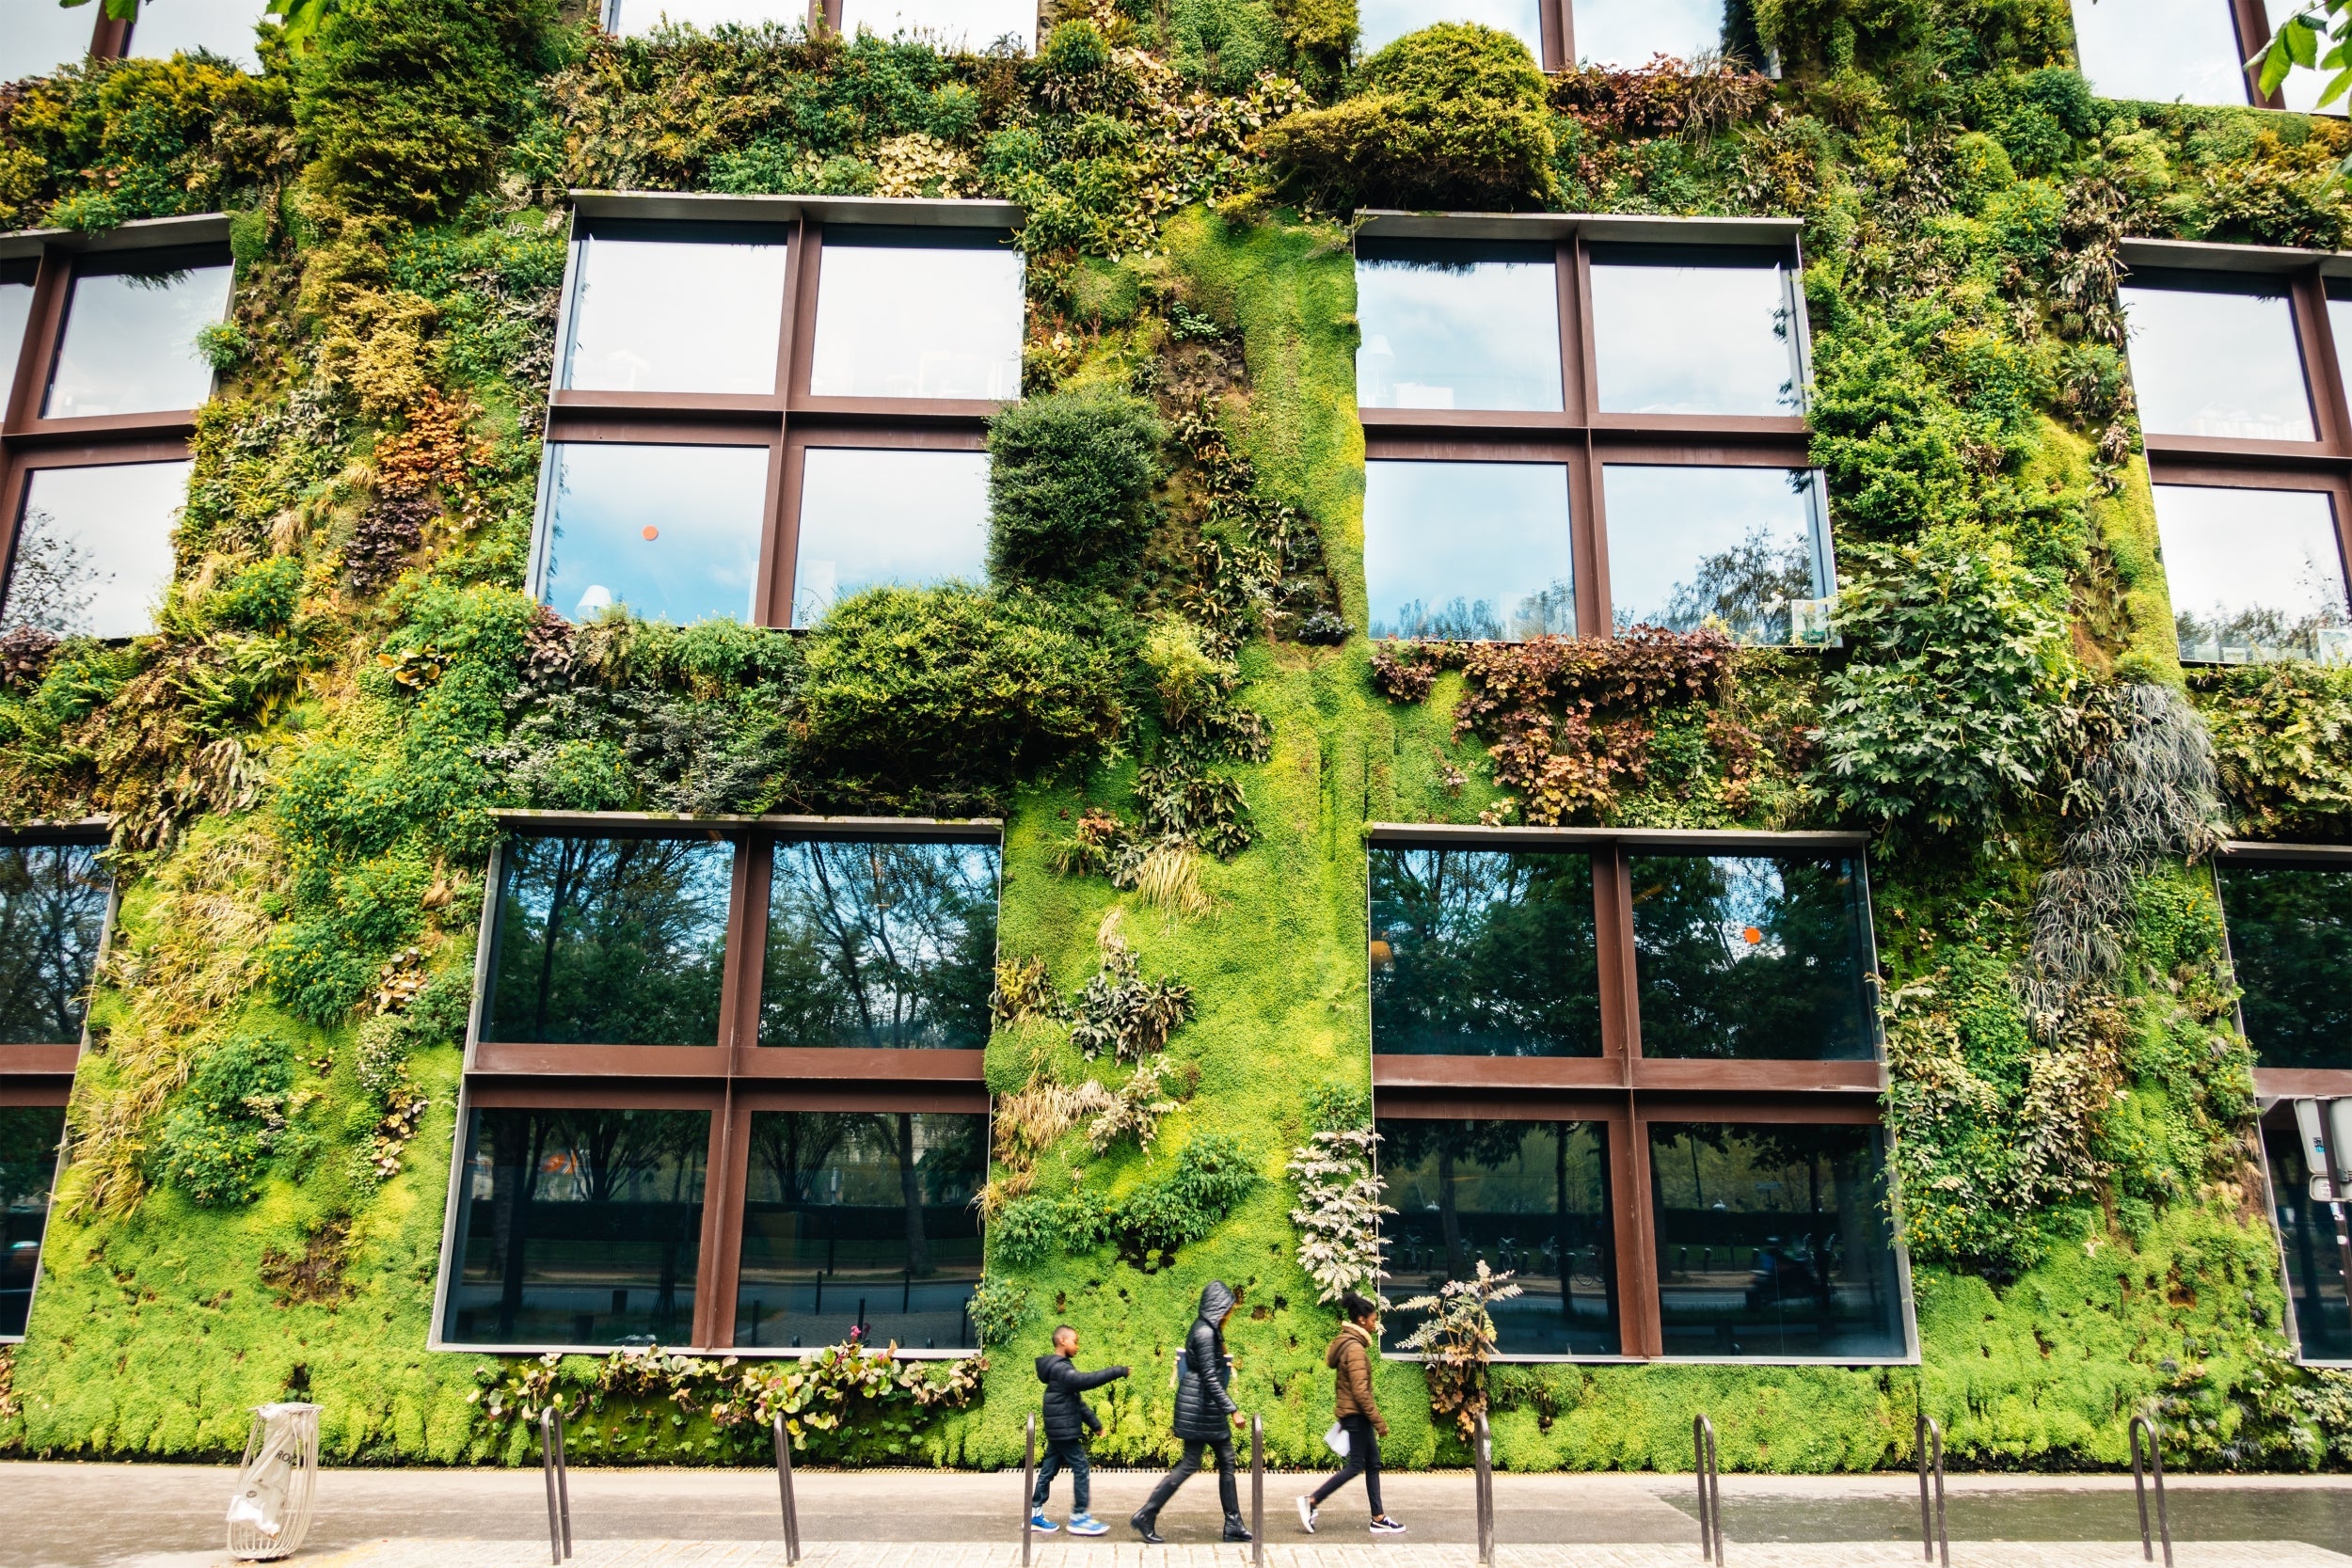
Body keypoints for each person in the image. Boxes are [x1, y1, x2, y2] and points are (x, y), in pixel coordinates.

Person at [1131, 1279, 1251, 1544]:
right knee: (1190, 1464)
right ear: (1217, 1308)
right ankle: (1146, 1514)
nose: (1230, 1314)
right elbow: (1209, 1377)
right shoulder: (1206, 1334)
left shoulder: (1207, 1329)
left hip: (1203, 1406)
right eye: (1228, 1309)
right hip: (1201, 1407)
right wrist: (1233, 1410)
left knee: (1225, 1462)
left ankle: (1233, 1523)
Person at [1297, 1291, 1405, 1535]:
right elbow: (1360, 1392)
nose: (1375, 1323)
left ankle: (1378, 1517)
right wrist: (1379, 1422)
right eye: (1373, 1319)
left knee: (1373, 1463)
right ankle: (1311, 1501)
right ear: (1361, 1320)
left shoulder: (1349, 1344)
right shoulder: (1354, 1349)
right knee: (1355, 1466)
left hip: (1356, 1415)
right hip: (1357, 1415)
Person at [1031, 1324, 1129, 1537]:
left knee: (1048, 1470)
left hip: (1059, 1429)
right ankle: (1079, 1517)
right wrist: (1118, 1371)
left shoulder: (1061, 1368)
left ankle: (1034, 1514)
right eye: (1075, 1341)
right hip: (1063, 1429)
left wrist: (1096, 1425)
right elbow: (1086, 1381)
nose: (1077, 1346)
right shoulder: (1061, 1369)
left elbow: (1077, 1403)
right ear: (1063, 1341)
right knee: (1081, 1466)